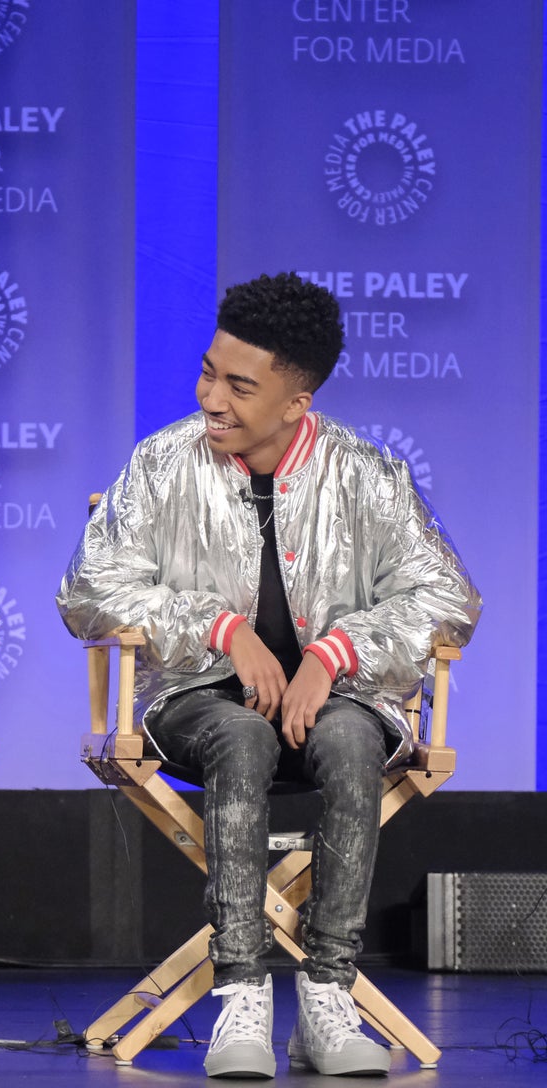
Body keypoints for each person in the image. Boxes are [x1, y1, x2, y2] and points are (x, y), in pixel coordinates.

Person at [57, 272, 480, 1079]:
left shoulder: (367, 473)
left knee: (354, 744)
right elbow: (89, 587)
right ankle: (241, 991)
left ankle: (327, 994)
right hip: (196, 700)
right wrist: (222, 630)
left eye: (238, 385)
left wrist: (333, 655)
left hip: (344, 698)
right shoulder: (161, 464)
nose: (210, 395)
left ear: (297, 400)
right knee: (241, 736)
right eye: (209, 371)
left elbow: (447, 596)